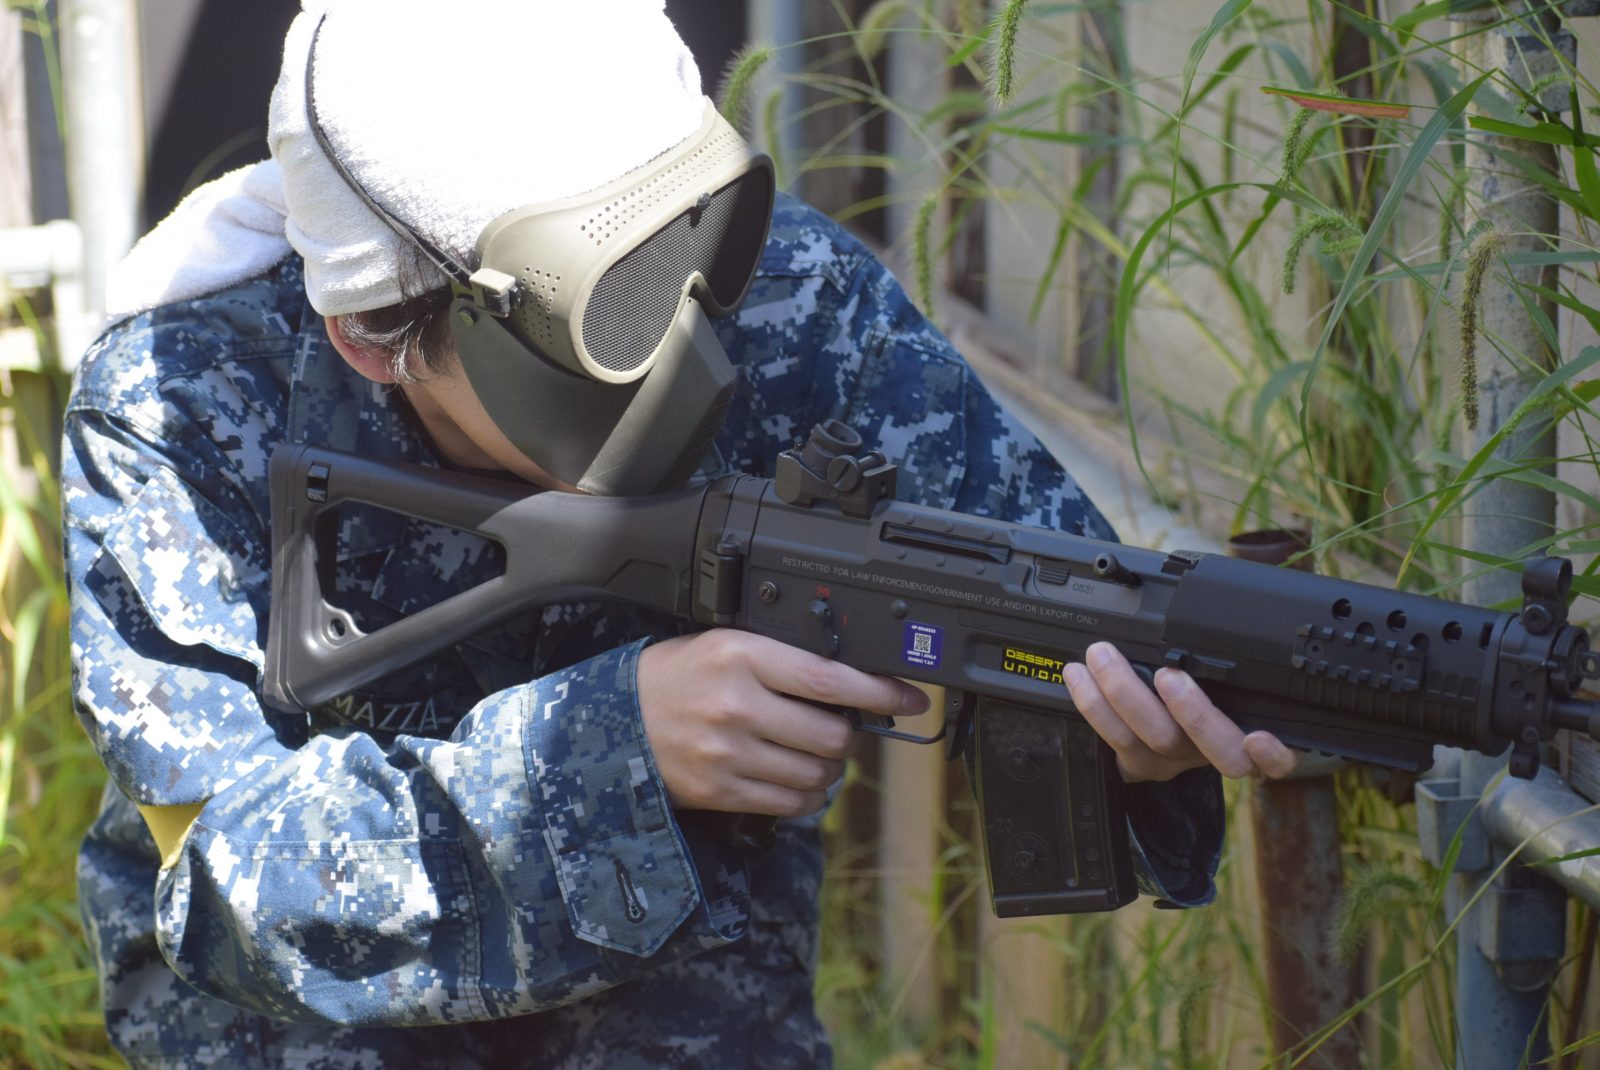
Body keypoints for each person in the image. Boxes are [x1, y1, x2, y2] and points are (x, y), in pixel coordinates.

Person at [62, 2, 1296, 1067]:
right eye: (603, 319)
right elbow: (213, 865)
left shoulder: (795, 300)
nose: (678, 344)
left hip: (684, 1003)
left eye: (686, 254)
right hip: (294, 1027)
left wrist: (1126, 744)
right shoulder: (181, 402)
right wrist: (616, 744)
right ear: (374, 337)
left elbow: (1042, 607)